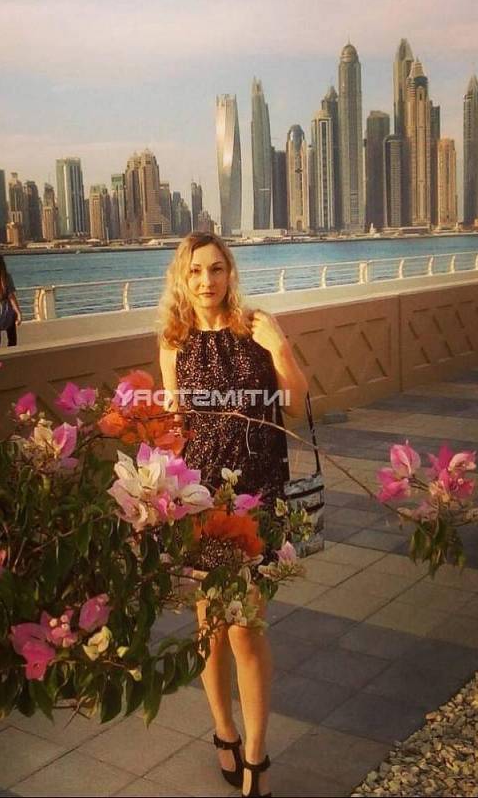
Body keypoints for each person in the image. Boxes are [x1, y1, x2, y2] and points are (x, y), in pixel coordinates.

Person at [158, 232, 308, 798]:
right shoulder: (174, 342)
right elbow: (175, 427)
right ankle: (223, 730)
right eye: (196, 271)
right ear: (183, 276)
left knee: (246, 629)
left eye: (216, 269)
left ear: (230, 273)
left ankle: (256, 755)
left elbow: (296, 404)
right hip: (203, 501)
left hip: (258, 496)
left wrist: (281, 349)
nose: (207, 281)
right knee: (211, 630)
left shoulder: (254, 327)